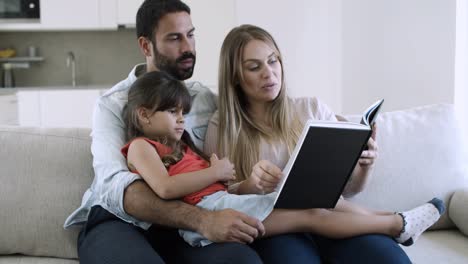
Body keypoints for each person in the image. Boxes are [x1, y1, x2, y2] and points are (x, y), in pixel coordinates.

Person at [63, 1, 341, 263]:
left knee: (241, 260)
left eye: (191, 35)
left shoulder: (205, 98)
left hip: (188, 223)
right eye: (175, 38)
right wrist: (203, 221)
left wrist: (337, 127)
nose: (188, 47)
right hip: (122, 220)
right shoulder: (113, 105)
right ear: (146, 46)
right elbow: (120, 190)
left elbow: (252, 108)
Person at [122, 70, 443, 249]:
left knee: (320, 200)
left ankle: (391, 216)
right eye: (171, 112)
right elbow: (165, 188)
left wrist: (237, 182)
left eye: (183, 113)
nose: (181, 120)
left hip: (225, 203)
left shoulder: (183, 147)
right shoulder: (141, 147)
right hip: (212, 216)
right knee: (311, 214)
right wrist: (214, 171)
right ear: (143, 114)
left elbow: (220, 191)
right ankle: (395, 225)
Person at [204, 24, 440, 263]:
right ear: (234, 76)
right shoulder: (222, 127)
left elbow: (348, 190)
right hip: (281, 231)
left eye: (273, 61)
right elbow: (215, 199)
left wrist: (364, 165)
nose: (269, 72)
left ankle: (397, 224)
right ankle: (395, 221)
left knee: (391, 260)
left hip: (337, 218)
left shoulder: (312, 109)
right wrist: (251, 185)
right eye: (254, 67)